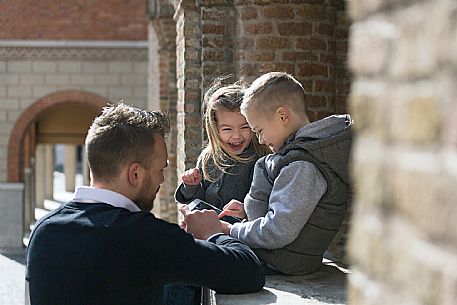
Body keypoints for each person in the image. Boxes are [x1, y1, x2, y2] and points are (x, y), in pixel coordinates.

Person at [25, 103, 265, 305]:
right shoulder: (144, 235)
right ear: (135, 174)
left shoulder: (44, 230)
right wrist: (214, 233)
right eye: (160, 169)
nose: (162, 179)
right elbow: (248, 272)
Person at [219, 72, 353, 275]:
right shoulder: (301, 155)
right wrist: (247, 211)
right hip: (278, 255)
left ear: (283, 117)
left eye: (259, 130)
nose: (261, 140)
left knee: (196, 257)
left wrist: (229, 230)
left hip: (281, 261)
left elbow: (278, 231)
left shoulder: (303, 165)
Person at [164, 81, 270, 305]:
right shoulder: (208, 158)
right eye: (227, 129)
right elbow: (199, 200)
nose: (237, 136)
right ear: (214, 128)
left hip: (241, 242)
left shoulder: (261, 159)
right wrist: (191, 186)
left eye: (244, 127)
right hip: (210, 239)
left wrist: (246, 209)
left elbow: (270, 205)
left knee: (184, 269)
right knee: (172, 264)